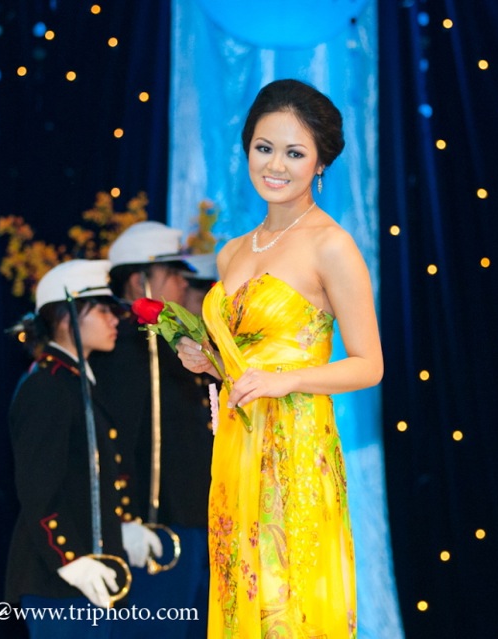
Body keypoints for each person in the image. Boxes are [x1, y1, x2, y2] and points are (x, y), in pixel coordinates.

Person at [175, 78, 383, 638]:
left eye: (295, 153)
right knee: (241, 598)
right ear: (246, 149)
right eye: (264, 148)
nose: (275, 165)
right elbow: (246, 361)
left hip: (295, 449)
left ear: (319, 163)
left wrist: (280, 379)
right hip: (236, 448)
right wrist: (210, 362)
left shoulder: (330, 245)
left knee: (287, 609)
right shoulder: (232, 251)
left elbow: (369, 363)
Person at [88, 221, 214, 638]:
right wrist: (124, 520)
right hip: (155, 530)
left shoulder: (171, 339)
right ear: (140, 279)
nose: (182, 283)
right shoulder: (122, 346)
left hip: (196, 519)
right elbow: (113, 439)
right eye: (172, 273)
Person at [5, 259, 142, 637]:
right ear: (66, 317)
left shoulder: (77, 383)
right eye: (102, 310)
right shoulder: (46, 388)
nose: (115, 319)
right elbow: (37, 490)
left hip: (87, 577)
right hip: (59, 581)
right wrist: (70, 559)